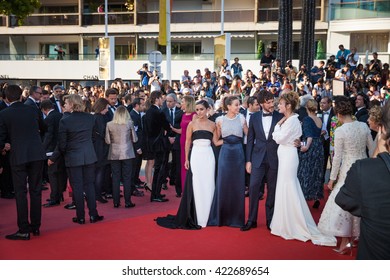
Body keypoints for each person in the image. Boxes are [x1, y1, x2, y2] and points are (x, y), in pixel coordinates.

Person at [270, 91, 336, 246]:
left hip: (288, 157)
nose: (278, 105)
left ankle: (292, 222)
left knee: (288, 186)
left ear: (288, 105)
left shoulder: (292, 120)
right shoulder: (291, 119)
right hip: (286, 155)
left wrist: (277, 127)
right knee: (286, 186)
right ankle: (285, 221)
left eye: (280, 103)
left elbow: (279, 138)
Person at [318, 96, 374, 254]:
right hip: (364, 168)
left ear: (339, 115)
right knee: (361, 201)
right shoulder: (363, 126)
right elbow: (373, 148)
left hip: (348, 170)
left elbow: (337, 157)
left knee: (344, 204)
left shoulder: (340, 130)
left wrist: (332, 179)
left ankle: (345, 243)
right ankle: (357, 238)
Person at [335, 101, 390, 259]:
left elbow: (345, 200)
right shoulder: (363, 127)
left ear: (383, 129)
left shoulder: (365, 171)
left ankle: (348, 240)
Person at [156, 100, 218, 229]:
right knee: (197, 183)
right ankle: (197, 215)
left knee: (209, 183)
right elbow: (187, 142)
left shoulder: (213, 125)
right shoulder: (192, 124)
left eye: (201, 109)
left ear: (207, 109)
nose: (199, 112)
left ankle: (209, 215)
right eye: (197, 109)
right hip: (196, 155)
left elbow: (216, 142)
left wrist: (234, 139)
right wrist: (186, 159)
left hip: (208, 156)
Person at [0, 85, 46, 240]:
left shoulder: (4, 114)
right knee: (36, 191)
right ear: (21, 96)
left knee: (20, 193)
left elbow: (1, 137)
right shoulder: (33, 110)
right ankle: (36, 227)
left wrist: (5, 146)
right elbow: (43, 128)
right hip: (37, 154)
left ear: (6, 98)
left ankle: (23, 229)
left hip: (18, 156)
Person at [241, 90, 283, 231]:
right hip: (257, 158)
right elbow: (250, 140)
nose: (272, 104)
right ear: (261, 104)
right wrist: (248, 161)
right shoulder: (254, 117)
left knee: (272, 190)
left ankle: (270, 220)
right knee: (253, 188)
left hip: (274, 158)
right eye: (268, 102)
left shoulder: (280, 116)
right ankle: (251, 220)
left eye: (272, 102)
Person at [58, 94, 103, 224]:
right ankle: (93, 214)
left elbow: (62, 144)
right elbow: (94, 136)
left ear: (72, 104)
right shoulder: (90, 118)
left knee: (77, 187)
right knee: (89, 185)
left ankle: (81, 216)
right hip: (89, 155)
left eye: (66, 102)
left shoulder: (65, 120)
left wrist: (67, 152)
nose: (64, 105)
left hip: (73, 157)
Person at [208, 95, 248, 227]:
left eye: (239, 104)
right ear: (229, 106)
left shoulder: (242, 118)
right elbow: (215, 140)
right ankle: (222, 217)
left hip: (238, 155)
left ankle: (236, 218)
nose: (238, 107)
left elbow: (249, 135)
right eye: (236, 105)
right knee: (223, 183)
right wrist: (226, 142)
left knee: (237, 185)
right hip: (225, 154)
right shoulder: (219, 120)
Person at [142, 90, 171, 202]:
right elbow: (167, 127)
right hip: (159, 145)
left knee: (158, 169)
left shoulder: (149, 111)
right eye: (162, 98)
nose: (163, 100)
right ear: (157, 99)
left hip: (152, 144)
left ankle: (155, 193)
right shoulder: (158, 113)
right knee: (159, 169)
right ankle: (155, 194)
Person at [105, 106, 137, 208]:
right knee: (127, 177)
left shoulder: (109, 124)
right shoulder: (129, 123)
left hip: (114, 153)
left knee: (115, 177)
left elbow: (107, 141)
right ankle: (127, 202)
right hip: (127, 152)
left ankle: (116, 202)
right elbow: (135, 139)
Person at [297, 99, 324, 209]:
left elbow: (309, 136)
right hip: (319, 147)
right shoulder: (319, 119)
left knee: (305, 173)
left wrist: (306, 147)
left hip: (311, 148)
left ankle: (304, 197)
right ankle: (316, 197)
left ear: (307, 108)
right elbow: (318, 133)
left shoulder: (307, 119)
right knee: (316, 172)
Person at [41, 99, 65, 207]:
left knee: (52, 175)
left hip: (51, 151)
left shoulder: (48, 119)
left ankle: (54, 197)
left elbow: (48, 136)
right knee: (60, 174)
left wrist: (42, 149)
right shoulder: (61, 115)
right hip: (61, 150)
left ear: (44, 109)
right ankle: (59, 195)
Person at [171, 95, 196, 193]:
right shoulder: (184, 114)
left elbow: (194, 130)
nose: (181, 104)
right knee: (183, 165)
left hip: (190, 143)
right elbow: (183, 130)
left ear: (188, 103)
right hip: (182, 142)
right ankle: (185, 188)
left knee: (189, 165)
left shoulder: (194, 115)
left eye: (183, 102)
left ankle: (190, 189)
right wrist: (173, 129)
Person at [91, 98, 110, 204]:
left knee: (96, 172)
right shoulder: (100, 118)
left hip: (95, 147)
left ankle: (95, 193)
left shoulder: (93, 117)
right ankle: (97, 194)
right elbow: (103, 133)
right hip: (101, 148)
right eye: (106, 108)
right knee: (99, 172)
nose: (107, 110)